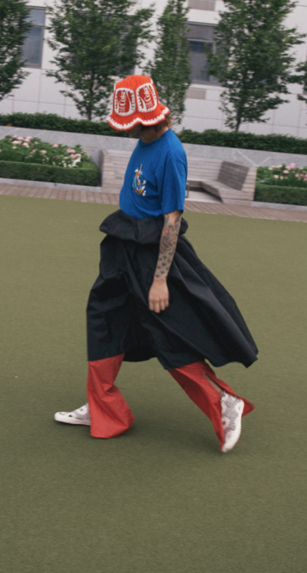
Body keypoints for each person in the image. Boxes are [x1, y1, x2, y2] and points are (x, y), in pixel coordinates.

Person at [54, 75, 258, 453]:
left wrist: (160, 279)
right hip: (122, 248)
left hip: (152, 257)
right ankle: (103, 408)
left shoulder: (171, 152)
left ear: (143, 118)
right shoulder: (144, 139)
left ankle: (224, 402)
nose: (125, 128)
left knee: (169, 336)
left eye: (127, 121)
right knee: (103, 322)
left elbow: (172, 220)